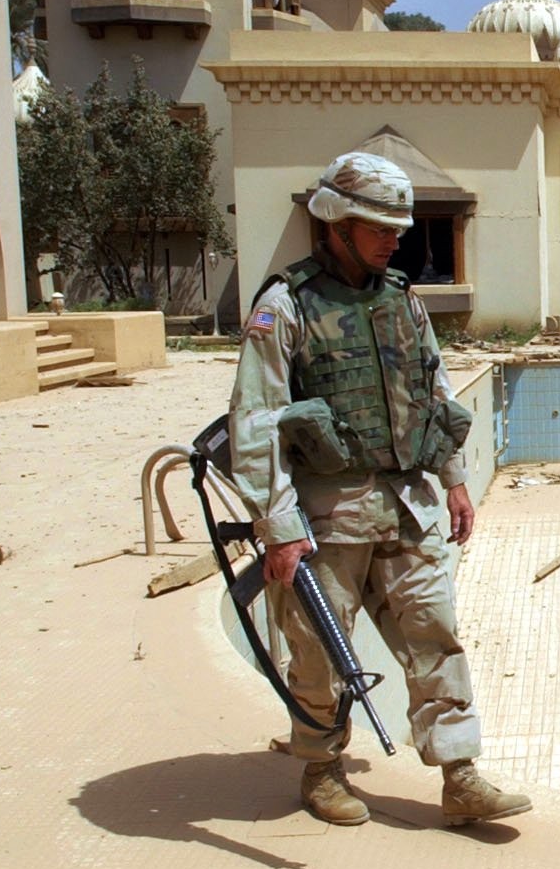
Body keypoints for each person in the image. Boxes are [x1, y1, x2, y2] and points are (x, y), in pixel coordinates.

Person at [227, 151, 531, 828]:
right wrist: (277, 530)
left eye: (399, 227)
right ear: (336, 224)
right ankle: (322, 768)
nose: (396, 239)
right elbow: (253, 422)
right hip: (325, 519)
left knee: (435, 636)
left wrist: (452, 479)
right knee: (317, 654)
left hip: (405, 508)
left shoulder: (402, 301)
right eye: (379, 227)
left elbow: (434, 389)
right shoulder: (286, 306)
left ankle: (460, 777)